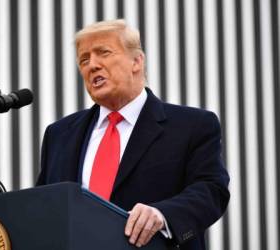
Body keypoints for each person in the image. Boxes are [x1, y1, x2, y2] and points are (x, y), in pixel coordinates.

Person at [37, 19, 230, 250]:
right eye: (84, 60)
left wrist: (162, 214)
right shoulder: (58, 135)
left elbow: (211, 190)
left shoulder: (192, 125)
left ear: (137, 61)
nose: (92, 65)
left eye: (103, 53)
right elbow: (44, 207)